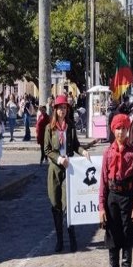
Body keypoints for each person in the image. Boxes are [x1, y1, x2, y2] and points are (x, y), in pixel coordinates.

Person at [98, 114, 133, 267]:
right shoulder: (107, 153)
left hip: (128, 197)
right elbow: (102, 181)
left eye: (124, 129)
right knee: (113, 235)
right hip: (112, 198)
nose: (121, 132)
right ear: (113, 130)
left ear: (127, 131)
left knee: (127, 235)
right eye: (118, 128)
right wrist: (101, 207)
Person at [44, 94, 90, 253]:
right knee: (55, 206)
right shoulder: (49, 128)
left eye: (65, 108)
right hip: (55, 171)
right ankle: (59, 240)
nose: (62, 111)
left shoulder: (70, 126)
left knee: (68, 205)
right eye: (60, 108)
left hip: (69, 170)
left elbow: (75, 145)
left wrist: (83, 151)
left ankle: (72, 239)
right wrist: (58, 159)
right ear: (55, 110)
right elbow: (47, 150)